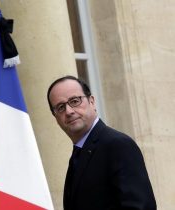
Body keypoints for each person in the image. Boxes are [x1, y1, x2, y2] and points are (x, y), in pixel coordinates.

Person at [47, 75, 156, 210]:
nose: (69, 111)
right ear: (55, 117)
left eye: (74, 101)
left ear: (92, 101)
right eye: (60, 107)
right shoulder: (79, 152)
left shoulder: (118, 145)